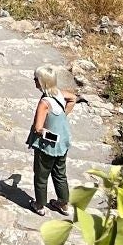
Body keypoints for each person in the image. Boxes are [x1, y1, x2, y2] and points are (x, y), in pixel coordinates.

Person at [27, 64, 77, 215]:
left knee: (41, 176)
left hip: (47, 147)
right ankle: (63, 204)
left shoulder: (45, 103)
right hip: (62, 143)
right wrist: (63, 115)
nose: (34, 81)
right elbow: (73, 98)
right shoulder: (60, 94)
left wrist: (44, 132)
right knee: (60, 174)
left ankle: (39, 205)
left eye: (36, 79)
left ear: (42, 82)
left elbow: (38, 128)